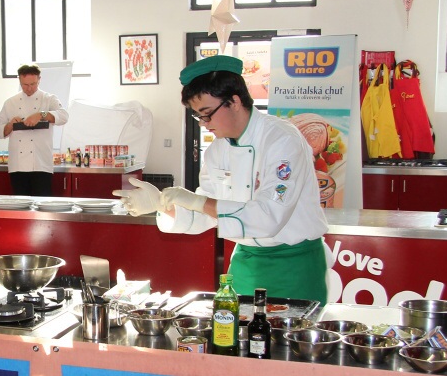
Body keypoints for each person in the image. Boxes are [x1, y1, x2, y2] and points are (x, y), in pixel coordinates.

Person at [114, 55, 330, 304]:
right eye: (198, 116)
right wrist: (163, 205)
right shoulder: (218, 150)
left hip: (294, 266)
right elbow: (207, 213)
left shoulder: (282, 140)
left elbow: (269, 215)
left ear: (234, 101)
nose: (203, 124)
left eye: (207, 114)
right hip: (245, 263)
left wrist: (198, 202)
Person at [0, 64, 69, 196]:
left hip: (41, 163)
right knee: (21, 204)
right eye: (25, 85)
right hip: (17, 166)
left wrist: (41, 114)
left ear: (39, 79)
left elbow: (63, 116)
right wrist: (11, 124)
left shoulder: (49, 99)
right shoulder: (10, 102)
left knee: (42, 204)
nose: (29, 88)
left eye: (33, 84)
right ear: (19, 80)